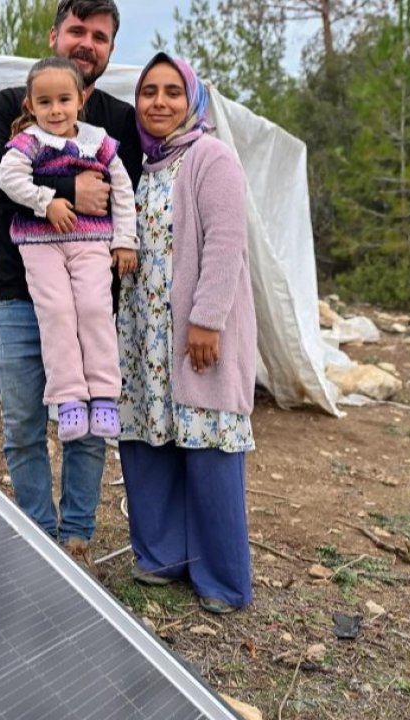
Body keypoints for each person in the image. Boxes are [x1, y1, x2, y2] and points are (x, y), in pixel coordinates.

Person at [0, 0, 140, 563]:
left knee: (90, 424)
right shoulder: (11, 106)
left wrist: (123, 240)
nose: (87, 42)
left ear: (110, 49)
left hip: (92, 290)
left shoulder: (119, 121)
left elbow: (129, 195)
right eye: (77, 30)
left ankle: (77, 536)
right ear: (55, 34)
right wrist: (67, 197)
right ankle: (36, 538)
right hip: (22, 291)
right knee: (22, 423)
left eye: (99, 35)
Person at [117, 53, 257, 614]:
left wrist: (207, 319)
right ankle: (161, 556)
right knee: (150, 443)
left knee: (209, 450)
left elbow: (227, 244)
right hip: (147, 337)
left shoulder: (210, 157)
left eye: (172, 91)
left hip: (196, 337)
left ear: (192, 100)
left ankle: (223, 581)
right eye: (148, 92)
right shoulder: (146, 167)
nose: (159, 102)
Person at [0, 57, 137, 445]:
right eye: (44, 102)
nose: (55, 110)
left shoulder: (99, 141)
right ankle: (69, 397)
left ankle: (105, 393)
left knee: (94, 307)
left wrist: (125, 239)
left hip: (91, 240)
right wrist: (47, 201)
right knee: (56, 312)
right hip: (40, 245)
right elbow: (6, 178)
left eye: (63, 100)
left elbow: (122, 190)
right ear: (30, 106)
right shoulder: (28, 142)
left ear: (80, 100)